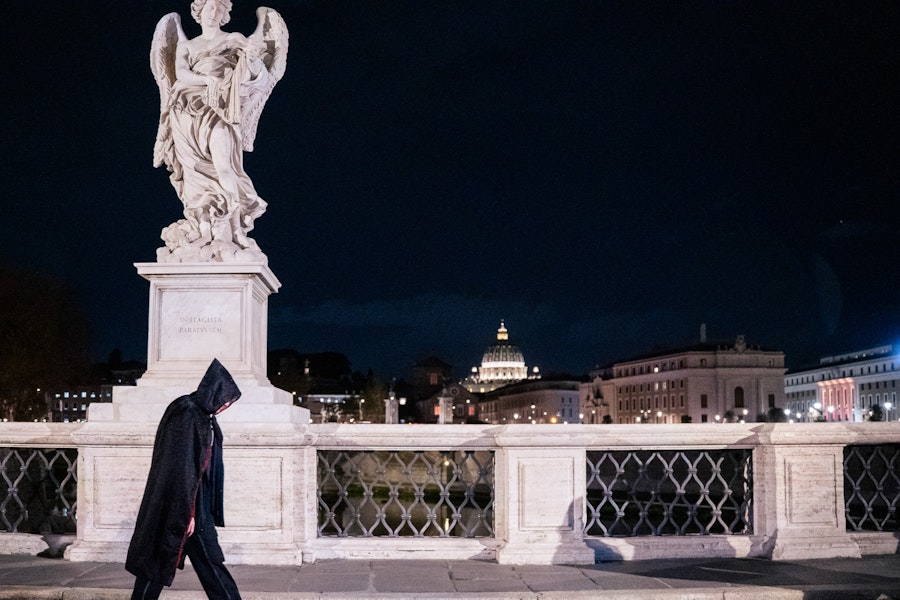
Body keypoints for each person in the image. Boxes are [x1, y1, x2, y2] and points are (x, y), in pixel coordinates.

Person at [150, 0, 288, 263]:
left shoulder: (234, 39)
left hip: (221, 110)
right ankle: (204, 229)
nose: (213, 13)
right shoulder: (187, 46)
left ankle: (234, 230)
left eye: (218, 9)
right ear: (199, 12)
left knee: (224, 166)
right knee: (194, 174)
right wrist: (207, 80)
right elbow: (180, 74)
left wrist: (251, 58)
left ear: (225, 14)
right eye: (209, 8)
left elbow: (257, 75)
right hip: (186, 112)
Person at [126, 358, 242, 600]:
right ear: (214, 391)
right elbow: (179, 467)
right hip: (186, 504)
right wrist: (188, 512)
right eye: (225, 400)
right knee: (168, 561)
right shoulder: (187, 413)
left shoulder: (204, 416)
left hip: (195, 503)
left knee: (167, 560)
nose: (225, 406)